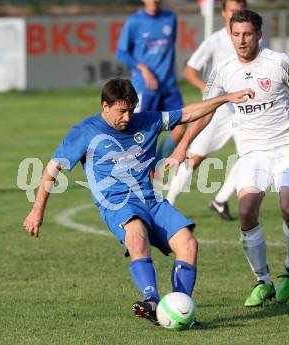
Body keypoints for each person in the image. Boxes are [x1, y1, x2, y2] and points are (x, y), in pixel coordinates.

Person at [22, 78, 254, 324]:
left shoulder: (148, 121)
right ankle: (151, 300)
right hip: (117, 204)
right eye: (121, 111)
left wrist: (225, 98)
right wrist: (37, 211)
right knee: (136, 232)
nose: (127, 118)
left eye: (131, 111)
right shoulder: (85, 131)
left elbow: (187, 114)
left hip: (151, 201)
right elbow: (52, 169)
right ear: (105, 106)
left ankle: (177, 308)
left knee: (188, 243)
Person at [169, 9, 289, 307]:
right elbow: (206, 111)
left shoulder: (280, 63)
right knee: (247, 210)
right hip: (252, 153)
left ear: (259, 34)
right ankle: (262, 281)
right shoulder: (223, 71)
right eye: (236, 34)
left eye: (247, 34)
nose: (241, 40)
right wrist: (183, 143)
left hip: (287, 148)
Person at [166, 0, 246, 221]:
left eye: (240, 11)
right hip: (218, 109)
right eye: (232, 12)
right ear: (223, 13)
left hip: (245, 110)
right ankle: (168, 203)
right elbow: (189, 70)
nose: (236, 15)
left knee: (251, 155)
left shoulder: (251, 38)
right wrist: (208, 92)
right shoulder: (215, 41)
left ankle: (220, 200)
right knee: (195, 157)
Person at [116, 0, 185, 168]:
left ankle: (157, 165)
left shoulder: (170, 18)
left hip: (169, 87)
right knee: (142, 134)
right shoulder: (134, 22)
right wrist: (143, 69)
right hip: (145, 89)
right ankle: (128, 168)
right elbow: (121, 52)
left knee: (181, 128)